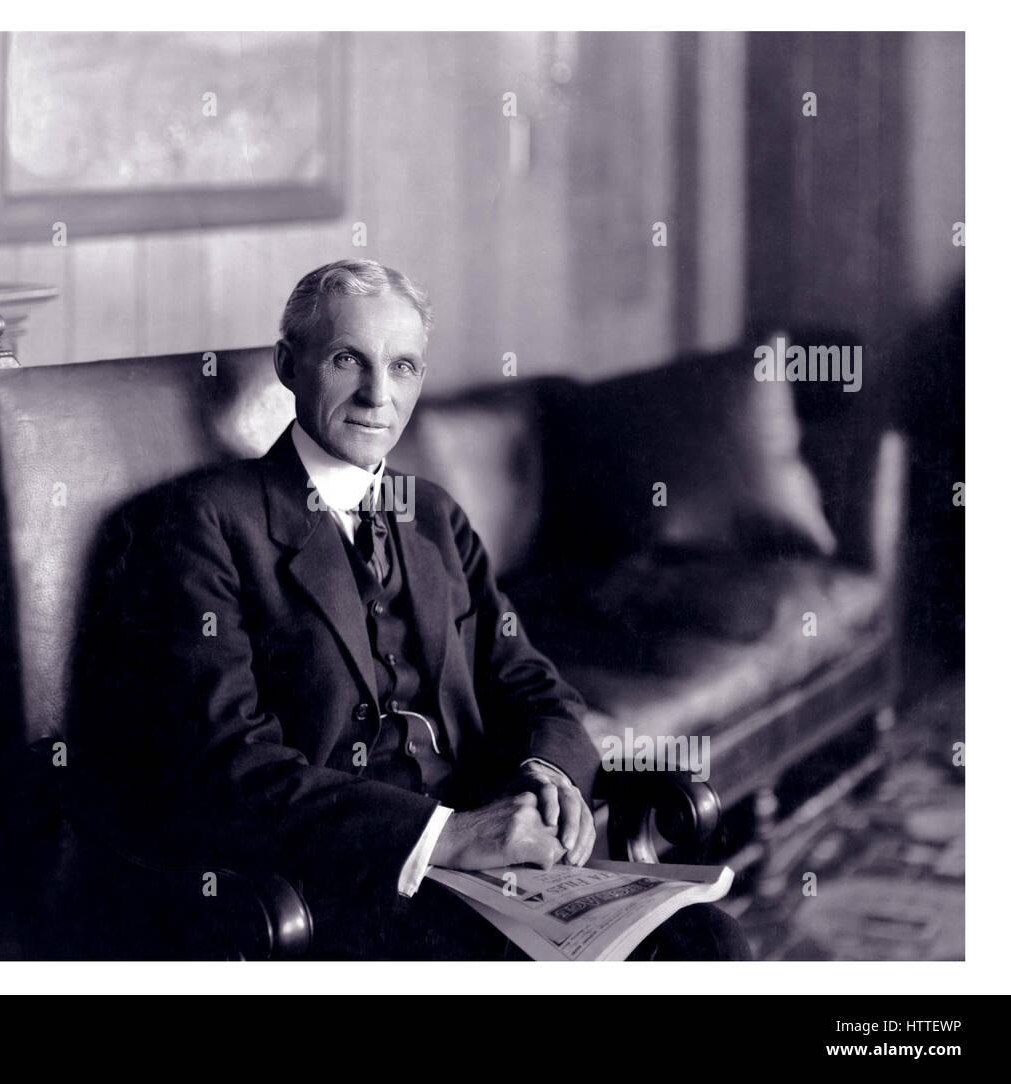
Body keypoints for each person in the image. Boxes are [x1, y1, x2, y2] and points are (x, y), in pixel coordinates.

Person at [81, 259, 749, 960]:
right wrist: (446, 837)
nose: (377, 394)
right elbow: (222, 764)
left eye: (402, 367)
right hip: (342, 882)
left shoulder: (432, 513)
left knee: (707, 942)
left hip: (496, 870)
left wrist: (548, 776)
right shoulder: (203, 522)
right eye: (347, 360)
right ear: (288, 364)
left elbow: (536, 688)